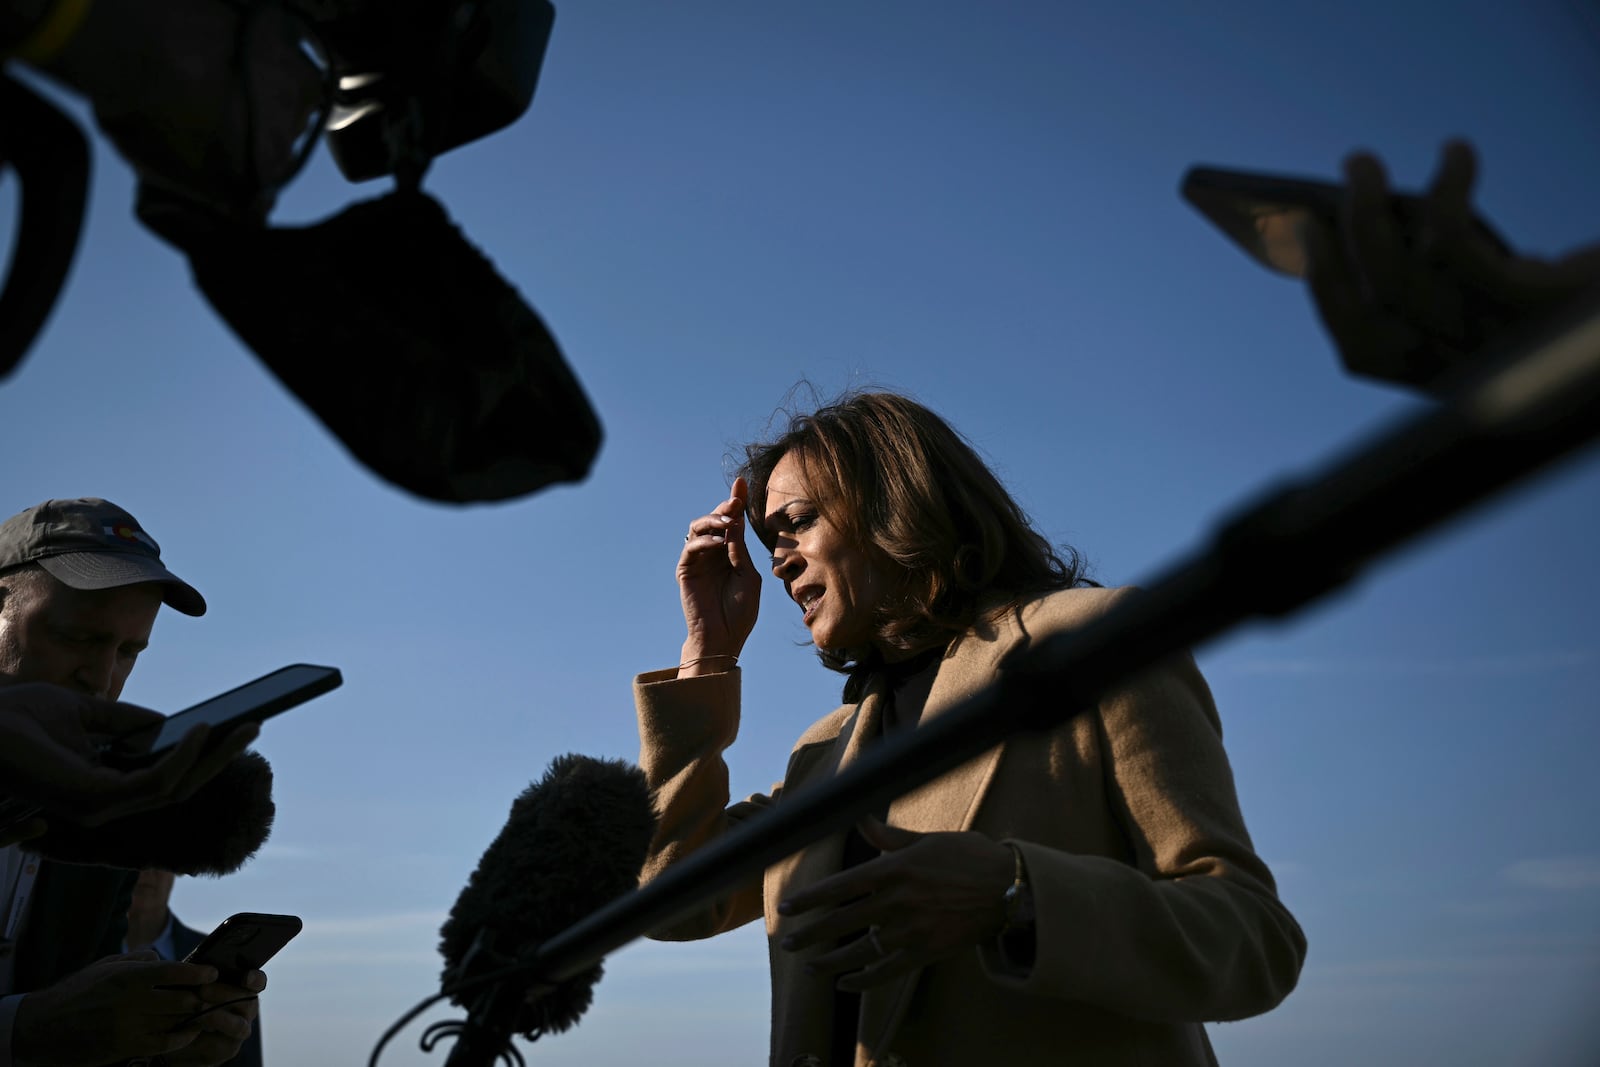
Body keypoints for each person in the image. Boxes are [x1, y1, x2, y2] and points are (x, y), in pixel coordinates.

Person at [635, 392, 1307, 1066]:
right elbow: (673, 899)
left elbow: (1253, 938)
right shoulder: (823, 753)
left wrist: (1015, 893)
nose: (778, 558)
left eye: (800, 521)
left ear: (892, 499)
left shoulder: (1096, 642)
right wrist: (708, 647)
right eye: (768, 538)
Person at [0, 497, 267, 1067]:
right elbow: (47, 1027)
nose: (101, 678)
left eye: (128, 652)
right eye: (77, 638)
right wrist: (25, 1029)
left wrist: (160, 1045)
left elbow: (78, 1026)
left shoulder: (114, 814)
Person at [126, 870, 265, 1067]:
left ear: (180, 866)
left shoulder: (222, 961)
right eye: (135, 855)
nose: (148, 871)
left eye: (160, 857)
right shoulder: (75, 954)